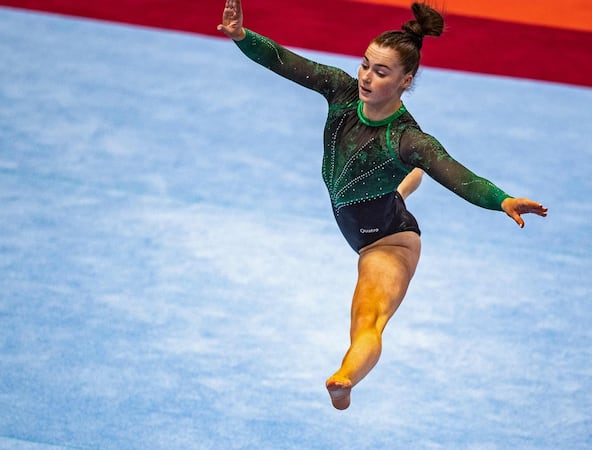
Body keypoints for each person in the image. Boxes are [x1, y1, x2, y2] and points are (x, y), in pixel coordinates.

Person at [217, 0, 548, 410]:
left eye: (381, 71)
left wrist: (502, 199)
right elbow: (284, 60)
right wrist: (242, 36)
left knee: (367, 318)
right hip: (373, 207)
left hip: (388, 241)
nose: (366, 77)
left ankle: (345, 379)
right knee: (397, 186)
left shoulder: (408, 139)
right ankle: (406, 184)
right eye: (365, 65)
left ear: (405, 80)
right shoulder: (341, 91)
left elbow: (458, 175)